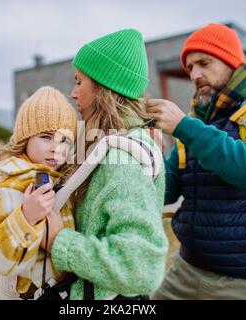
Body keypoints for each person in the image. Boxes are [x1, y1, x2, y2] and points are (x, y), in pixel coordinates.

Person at [147, 23, 246, 300]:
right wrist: (146, 153)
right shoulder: (196, 124)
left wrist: (183, 127)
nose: (195, 74)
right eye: (190, 67)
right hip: (186, 270)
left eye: (204, 63)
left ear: (231, 64)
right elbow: (165, 191)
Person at [45, 29, 169, 300]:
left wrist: (59, 243)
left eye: (79, 82)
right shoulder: (109, 144)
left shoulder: (122, 159)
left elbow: (142, 267)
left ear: (103, 87)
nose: (73, 93)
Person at [0, 86, 77, 300]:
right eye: (46, 137)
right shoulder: (3, 184)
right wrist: (26, 217)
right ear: (25, 138)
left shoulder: (65, 180)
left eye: (64, 140)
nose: (56, 148)